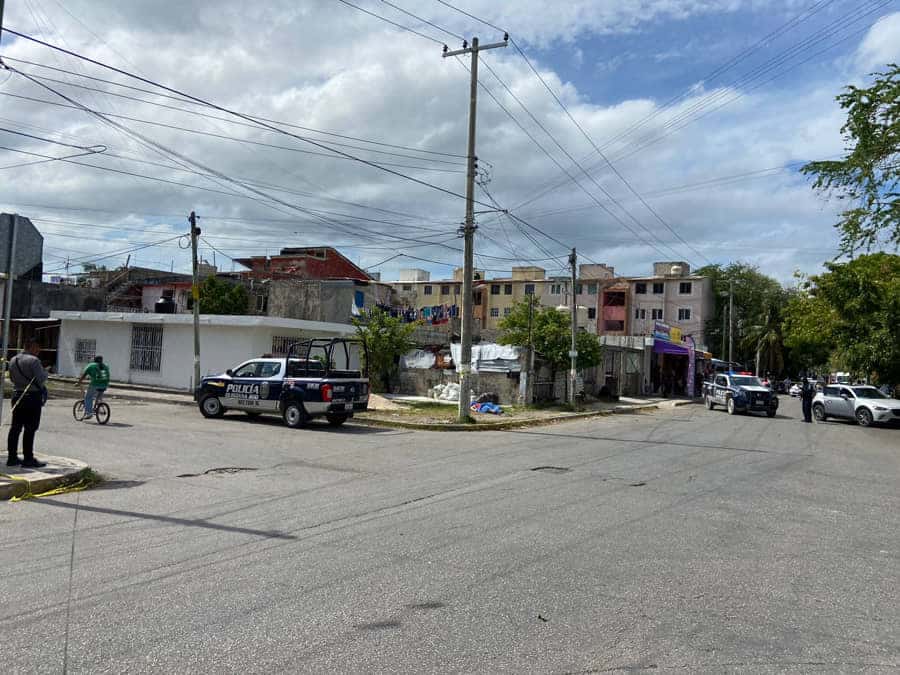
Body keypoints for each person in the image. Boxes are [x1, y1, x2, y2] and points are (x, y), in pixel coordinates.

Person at [7, 340, 48, 468]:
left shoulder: (13, 359)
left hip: (17, 394)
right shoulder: (34, 361)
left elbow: (12, 378)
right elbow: (40, 379)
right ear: (31, 347)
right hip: (32, 397)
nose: (38, 351)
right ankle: (28, 458)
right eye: (37, 348)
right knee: (30, 429)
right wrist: (46, 372)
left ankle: (12, 457)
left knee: (15, 428)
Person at [77, 355, 110, 420]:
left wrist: (79, 382)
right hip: (105, 385)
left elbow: (84, 375)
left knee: (88, 397)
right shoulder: (105, 366)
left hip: (95, 384)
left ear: (94, 360)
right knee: (98, 396)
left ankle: (89, 413)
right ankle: (99, 407)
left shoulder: (91, 365)